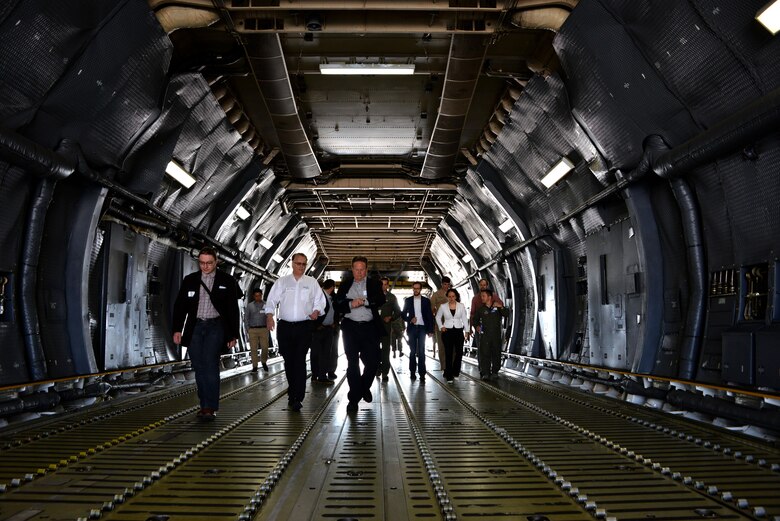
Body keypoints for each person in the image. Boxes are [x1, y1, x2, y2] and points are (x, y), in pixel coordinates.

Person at [172, 247, 240, 421]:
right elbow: (180, 307)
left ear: (216, 261)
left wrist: (233, 334)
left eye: (209, 263)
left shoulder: (227, 280)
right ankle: (204, 404)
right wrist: (177, 329)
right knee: (199, 366)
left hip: (216, 327)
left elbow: (233, 310)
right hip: (195, 327)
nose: (205, 266)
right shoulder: (190, 280)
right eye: (202, 263)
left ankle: (210, 407)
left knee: (210, 364)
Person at [264, 253, 326, 411]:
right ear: (291, 263)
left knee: (299, 360)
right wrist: (269, 316)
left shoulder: (311, 282)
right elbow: (271, 300)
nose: (301, 266)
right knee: (289, 361)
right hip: (285, 327)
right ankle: (293, 391)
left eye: (304, 264)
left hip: (303, 327)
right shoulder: (282, 282)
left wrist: (316, 311)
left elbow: (320, 301)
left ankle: (297, 397)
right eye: (298, 263)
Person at [333, 256, 385, 413]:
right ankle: (354, 399)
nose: (360, 272)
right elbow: (337, 304)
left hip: (369, 328)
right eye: (357, 269)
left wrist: (365, 301)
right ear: (352, 269)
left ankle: (363, 387)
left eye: (362, 269)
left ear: (366, 270)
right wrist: (350, 304)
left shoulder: (374, 283)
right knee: (352, 364)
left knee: (373, 362)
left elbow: (381, 299)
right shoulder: (345, 284)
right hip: (350, 328)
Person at [471, 288, 510, 380]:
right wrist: (477, 326)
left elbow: (506, 314)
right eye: (481, 296)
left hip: (496, 335)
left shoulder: (497, 308)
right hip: (485, 335)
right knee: (485, 354)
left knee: (496, 353)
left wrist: (501, 306)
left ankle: (495, 371)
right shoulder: (481, 310)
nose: (482, 298)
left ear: (489, 297)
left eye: (483, 296)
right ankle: (485, 373)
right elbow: (475, 320)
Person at [435, 288, 470, 383]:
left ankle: (455, 371)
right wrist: (441, 326)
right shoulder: (443, 306)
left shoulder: (461, 306)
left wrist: (467, 331)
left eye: (453, 296)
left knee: (459, 352)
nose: (451, 298)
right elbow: (438, 317)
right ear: (447, 297)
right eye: (449, 296)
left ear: (456, 296)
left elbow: (464, 319)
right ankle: (449, 375)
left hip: (458, 331)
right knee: (448, 353)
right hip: (447, 331)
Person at [401, 281, 434, 383]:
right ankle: (412, 372)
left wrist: (430, 330)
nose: (416, 290)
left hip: (422, 328)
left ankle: (422, 374)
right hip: (412, 328)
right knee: (412, 351)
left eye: (418, 288)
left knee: (421, 351)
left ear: (420, 289)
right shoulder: (408, 300)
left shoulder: (426, 301)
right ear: (412, 288)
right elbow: (403, 314)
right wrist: (410, 319)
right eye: (414, 288)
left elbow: (429, 316)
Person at [310, 279, 336, 384]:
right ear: (333, 287)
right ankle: (315, 374)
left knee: (326, 354)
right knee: (316, 353)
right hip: (319, 329)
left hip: (328, 329)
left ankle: (322, 376)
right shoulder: (318, 296)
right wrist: (317, 326)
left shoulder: (331, 298)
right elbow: (311, 310)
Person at [377, 277, 401, 381]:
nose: (383, 286)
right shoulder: (373, 296)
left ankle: (385, 373)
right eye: (381, 284)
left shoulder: (392, 298)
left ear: (388, 285)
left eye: (385, 284)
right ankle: (377, 368)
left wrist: (391, 317)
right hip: (374, 327)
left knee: (386, 350)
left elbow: (398, 311)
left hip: (386, 327)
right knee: (374, 349)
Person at [245, 289, 269, 372]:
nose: (258, 297)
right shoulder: (250, 306)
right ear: (253, 296)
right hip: (253, 330)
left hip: (263, 329)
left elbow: (269, 316)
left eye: (259, 295)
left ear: (261, 295)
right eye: (256, 296)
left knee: (265, 347)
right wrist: (248, 329)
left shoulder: (266, 305)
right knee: (253, 349)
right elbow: (246, 318)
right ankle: (255, 366)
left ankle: (263, 361)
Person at [429, 276, 451, 360]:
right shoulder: (436, 295)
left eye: (448, 284)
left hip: (451, 321)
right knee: (441, 344)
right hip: (441, 321)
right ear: (442, 284)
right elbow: (431, 308)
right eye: (445, 284)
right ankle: (443, 365)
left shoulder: (452, 294)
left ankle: (451, 364)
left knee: (451, 344)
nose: (446, 286)